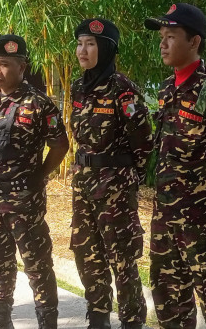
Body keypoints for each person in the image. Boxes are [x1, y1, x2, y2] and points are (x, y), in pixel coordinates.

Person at [145, 3, 206, 328]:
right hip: (164, 219)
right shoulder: (165, 91)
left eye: (171, 36)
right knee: (168, 302)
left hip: (205, 228)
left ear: (195, 41)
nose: (163, 43)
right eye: (162, 36)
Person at [0, 34, 69, 329]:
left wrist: (40, 175)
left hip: (24, 203)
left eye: (4, 64)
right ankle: (0, 319)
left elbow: (60, 145)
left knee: (37, 265)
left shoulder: (39, 104)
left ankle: (47, 322)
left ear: (22, 67)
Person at [70, 18, 151, 329]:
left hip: (114, 186)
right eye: (80, 43)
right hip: (83, 183)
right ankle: (99, 317)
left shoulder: (123, 90)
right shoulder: (79, 86)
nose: (83, 50)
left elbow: (143, 142)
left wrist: (128, 179)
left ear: (106, 49)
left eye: (90, 44)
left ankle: (132, 320)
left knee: (122, 258)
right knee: (87, 254)